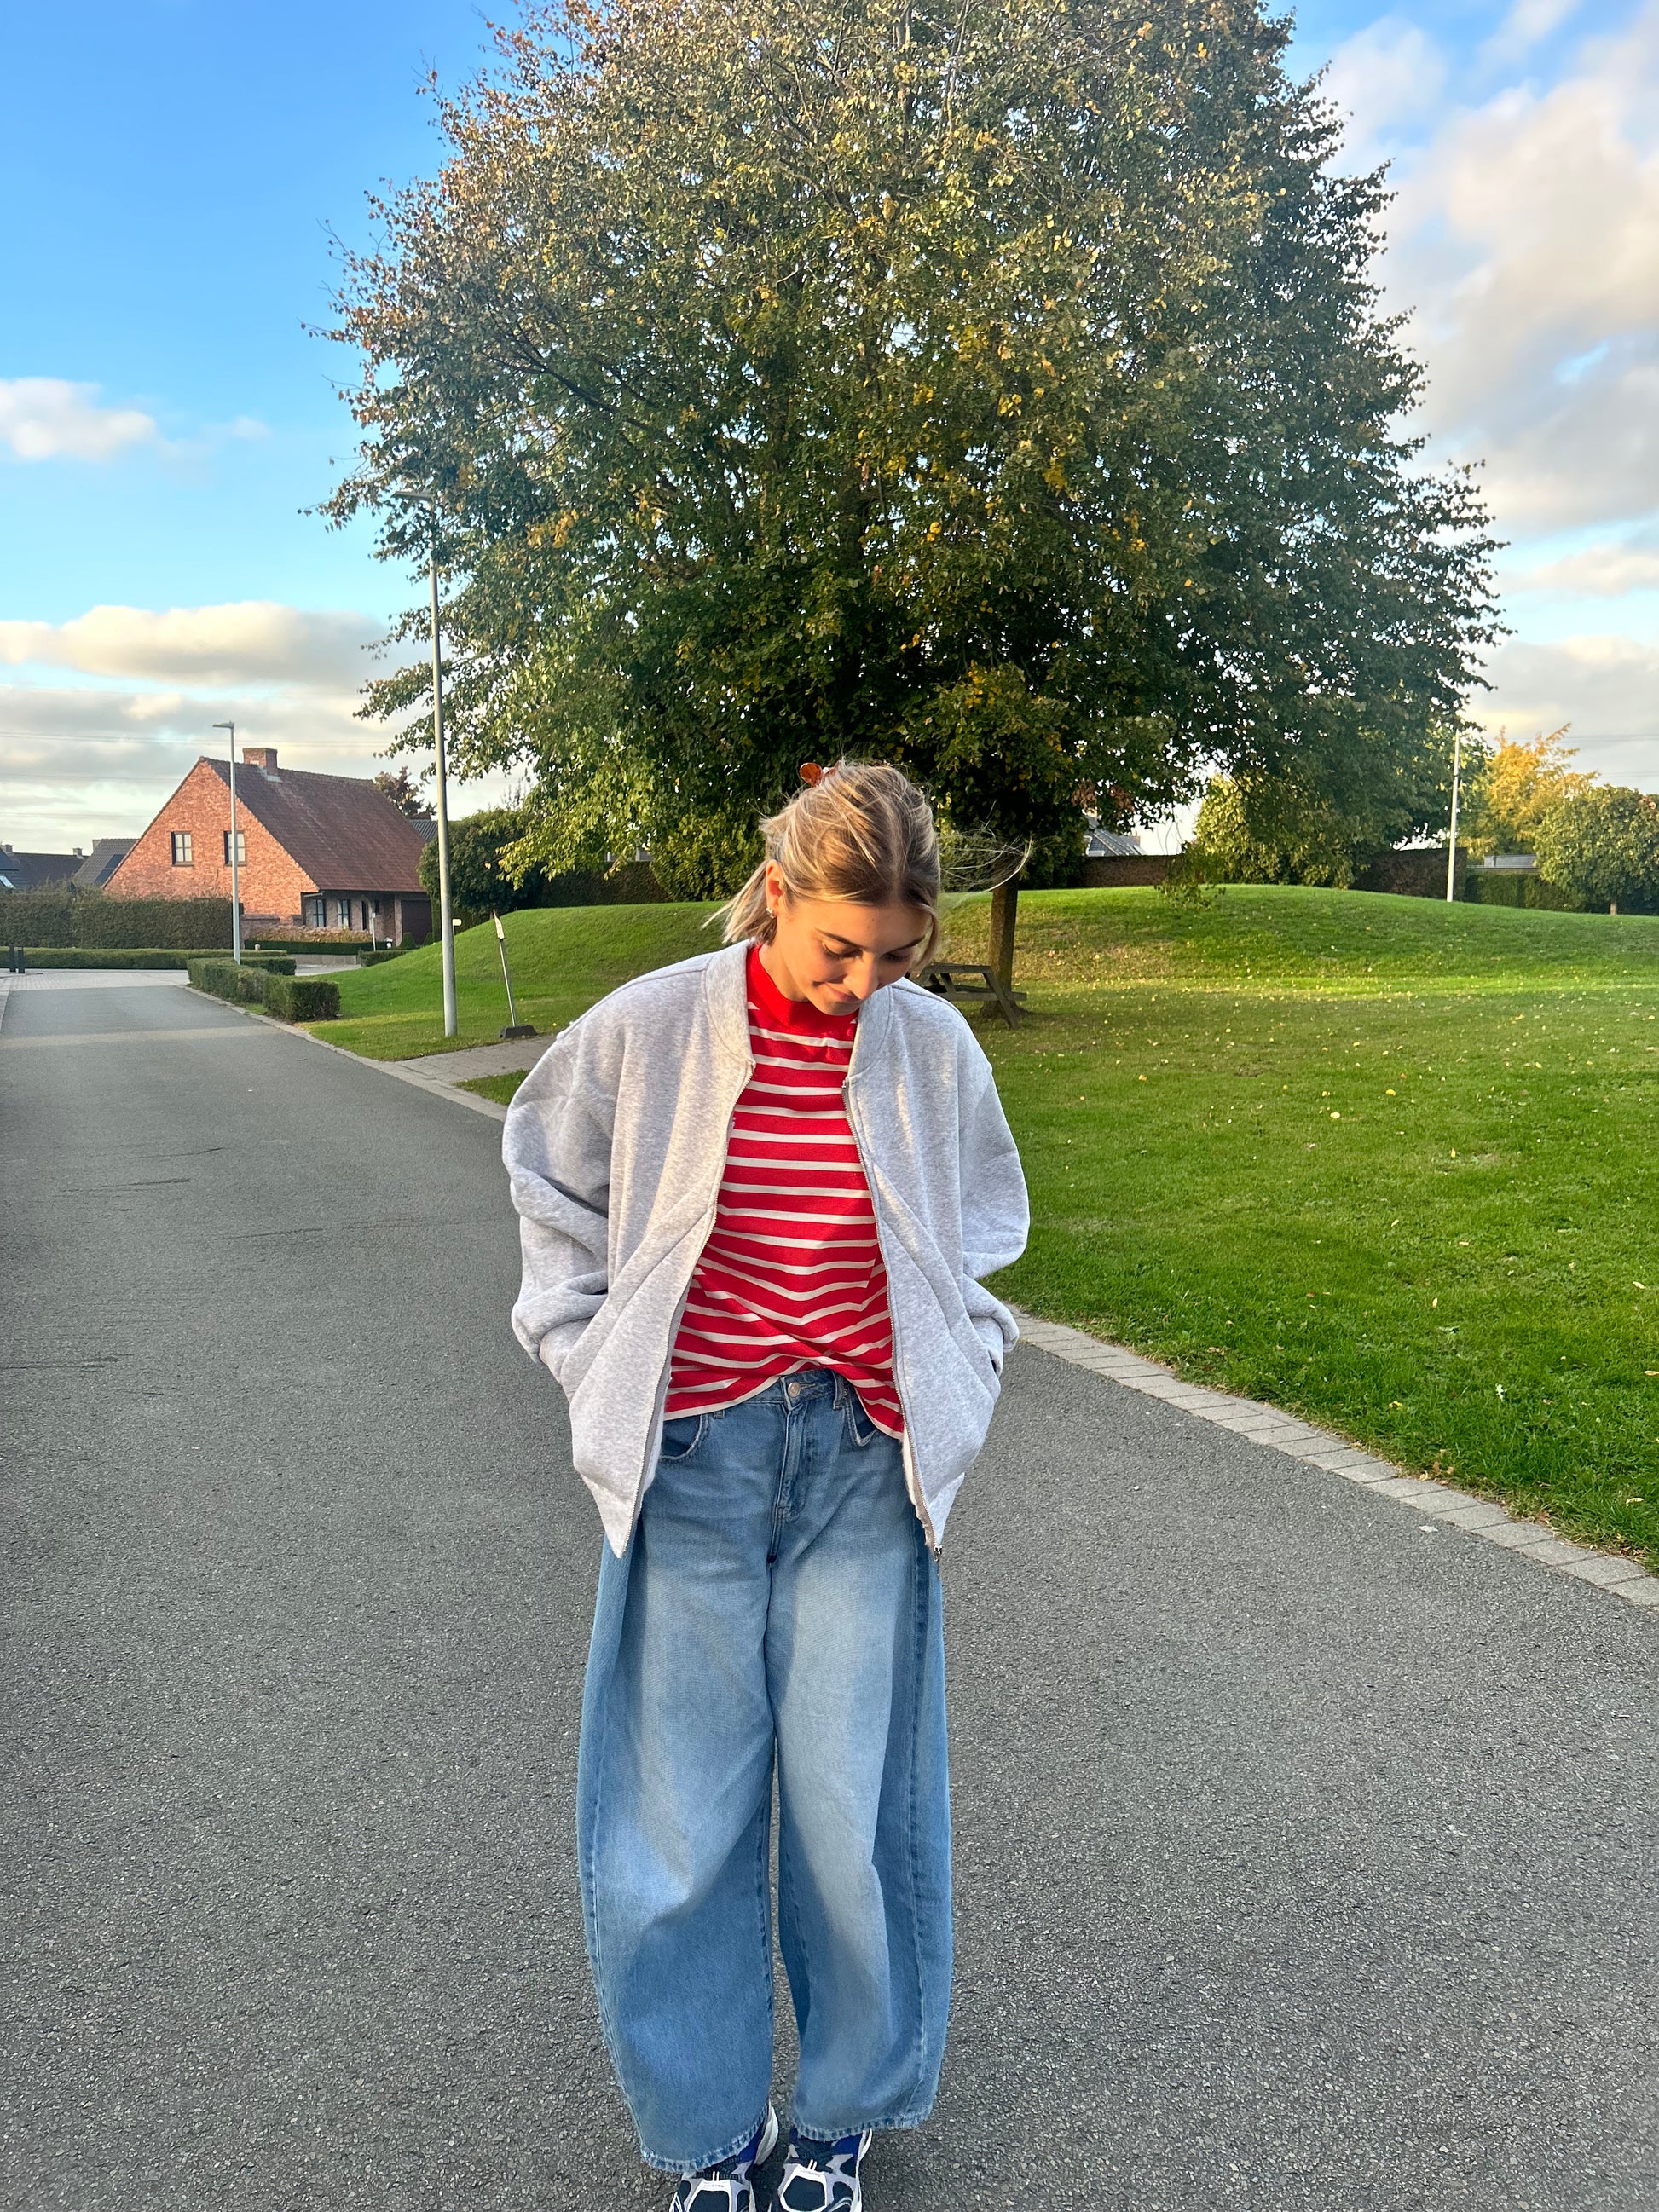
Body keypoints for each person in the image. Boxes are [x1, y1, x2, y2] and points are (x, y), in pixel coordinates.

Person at [502, 761, 1029, 2211]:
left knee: (856, 1819)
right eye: (839, 948)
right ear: (778, 895)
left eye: (896, 957)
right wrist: (587, 1356)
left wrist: (960, 1366)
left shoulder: (930, 1048)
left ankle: (843, 2115)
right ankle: (708, 2135)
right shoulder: (653, 1023)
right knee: (678, 1826)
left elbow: (982, 1225)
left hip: (863, 1465)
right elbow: (550, 1187)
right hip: (696, 1464)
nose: (862, 984)